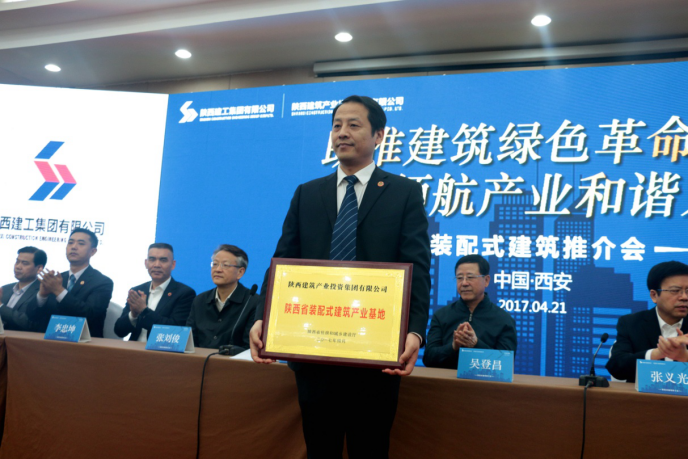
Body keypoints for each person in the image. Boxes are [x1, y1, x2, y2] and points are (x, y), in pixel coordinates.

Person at [249, 95, 431, 458]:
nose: (342, 133)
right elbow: (283, 261)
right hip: (314, 351)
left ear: (379, 135)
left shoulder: (404, 192)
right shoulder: (307, 193)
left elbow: (418, 266)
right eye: (336, 125)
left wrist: (414, 331)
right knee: (320, 449)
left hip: (376, 352)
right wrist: (262, 318)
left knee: (370, 449)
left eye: (353, 125)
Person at [423, 254, 517, 369]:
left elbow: (506, 364)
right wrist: (453, 347)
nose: (464, 283)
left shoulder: (504, 320)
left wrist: (476, 344)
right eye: (459, 278)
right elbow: (428, 359)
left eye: (470, 277)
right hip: (445, 380)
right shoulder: (441, 315)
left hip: (484, 380)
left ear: (486, 280)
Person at [606, 260, 688, 382]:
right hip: (642, 394)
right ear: (654, 295)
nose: (684, 297)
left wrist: (685, 357)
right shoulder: (631, 323)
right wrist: (656, 354)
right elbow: (616, 366)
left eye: (687, 291)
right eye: (675, 291)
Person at [26, 228, 113, 338]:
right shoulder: (56, 279)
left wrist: (59, 291)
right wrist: (42, 295)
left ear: (93, 251)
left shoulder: (102, 282)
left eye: (81, 243)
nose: (73, 247)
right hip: (50, 341)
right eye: (70, 242)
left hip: (84, 343)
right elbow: (31, 316)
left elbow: (90, 314)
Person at [114, 243, 195, 342]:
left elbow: (176, 331)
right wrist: (133, 315)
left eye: (163, 260)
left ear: (173, 265)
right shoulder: (137, 291)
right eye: (152, 259)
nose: (157, 265)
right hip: (133, 349)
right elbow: (119, 331)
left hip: (161, 350)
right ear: (146, 263)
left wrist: (144, 311)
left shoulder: (184, 293)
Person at [186, 244, 259, 350]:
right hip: (199, 359)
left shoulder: (253, 302)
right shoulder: (200, 300)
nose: (218, 269)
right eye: (215, 264)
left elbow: (249, 346)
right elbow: (189, 341)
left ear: (240, 272)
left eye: (225, 265)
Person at [0, 247, 48, 332]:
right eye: (17, 262)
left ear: (39, 268)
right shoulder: (5, 289)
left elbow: (29, 323)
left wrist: (1, 306)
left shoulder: (42, 293)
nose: (18, 267)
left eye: (25, 263)